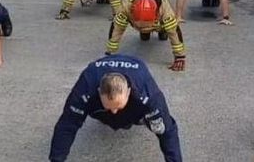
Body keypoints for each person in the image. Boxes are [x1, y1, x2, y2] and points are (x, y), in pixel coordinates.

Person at [49, 54, 182, 162]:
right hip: (97, 100)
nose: (113, 111)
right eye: (109, 107)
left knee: (158, 122)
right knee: (77, 113)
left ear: (129, 92)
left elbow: (167, 132)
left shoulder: (148, 95)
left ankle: (119, 109)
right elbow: (67, 125)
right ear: (99, 91)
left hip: (135, 104)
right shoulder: (85, 88)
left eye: (118, 106)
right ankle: (108, 108)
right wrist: (56, 159)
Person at [106, 0, 185, 72]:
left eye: (145, 25)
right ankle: (145, 33)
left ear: (157, 13)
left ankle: (162, 31)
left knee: (167, 30)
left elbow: (174, 32)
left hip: (159, 25)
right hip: (141, 22)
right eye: (140, 24)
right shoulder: (125, 7)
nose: (142, 26)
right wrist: (110, 53)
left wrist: (179, 56)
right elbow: (117, 29)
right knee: (144, 37)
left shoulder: (165, 10)